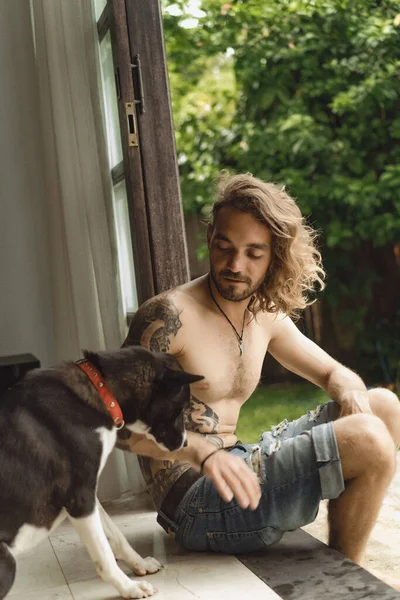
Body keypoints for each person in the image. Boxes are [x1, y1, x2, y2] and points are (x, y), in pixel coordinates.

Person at [119, 172, 399, 570]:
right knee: (369, 437)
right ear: (210, 237)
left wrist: (350, 392)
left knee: (384, 406)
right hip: (194, 502)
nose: (235, 265)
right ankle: (348, 576)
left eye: (254, 253)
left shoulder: (263, 314)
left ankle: (343, 564)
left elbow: (334, 374)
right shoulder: (167, 318)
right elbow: (114, 425)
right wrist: (199, 451)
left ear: (274, 257)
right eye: (225, 247)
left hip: (240, 459)